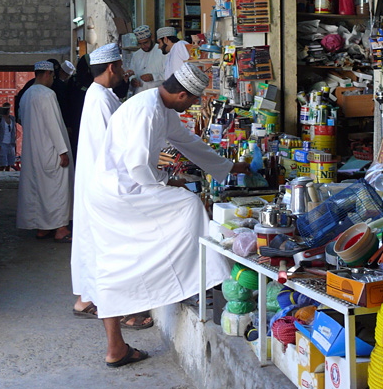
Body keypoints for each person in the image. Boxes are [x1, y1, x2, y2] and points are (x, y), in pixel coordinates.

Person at [85, 62, 249, 367]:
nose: (192, 107)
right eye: (193, 101)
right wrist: (167, 181)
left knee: (114, 263)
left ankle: (116, 347)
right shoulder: (148, 110)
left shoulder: (159, 107)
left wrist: (227, 167)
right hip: (120, 193)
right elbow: (137, 167)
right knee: (188, 206)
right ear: (182, 95)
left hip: (117, 190)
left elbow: (187, 142)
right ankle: (206, 281)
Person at [71, 43, 152, 331]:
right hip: (105, 184)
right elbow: (119, 144)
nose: (121, 72)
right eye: (119, 67)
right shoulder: (102, 98)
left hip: (94, 181)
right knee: (113, 248)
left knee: (91, 241)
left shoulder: (98, 95)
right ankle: (123, 311)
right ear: (111, 67)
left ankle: (85, 298)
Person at [17, 61, 74, 242]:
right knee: (57, 190)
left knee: (39, 189)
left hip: (33, 151)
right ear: (48, 74)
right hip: (50, 150)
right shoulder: (47, 94)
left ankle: (42, 228)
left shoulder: (26, 95)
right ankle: (60, 228)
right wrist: (62, 151)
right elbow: (53, 125)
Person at [66, 54, 94, 158]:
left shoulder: (93, 80)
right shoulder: (74, 81)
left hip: (86, 120)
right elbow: (68, 102)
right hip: (77, 121)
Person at [128, 25, 165, 95]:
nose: (143, 46)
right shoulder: (136, 55)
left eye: (145, 43)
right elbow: (131, 72)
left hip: (158, 95)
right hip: (140, 95)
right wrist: (133, 80)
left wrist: (153, 77)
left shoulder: (162, 52)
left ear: (152, 38)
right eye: (140, 44)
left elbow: (169, 75)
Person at [0, 102, 17, 171]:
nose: (8, 111)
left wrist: (14, 142)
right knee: (3, 164)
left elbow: (14, 131)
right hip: (2, 143)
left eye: (9, 109)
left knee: (10, 163)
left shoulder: (12, 119)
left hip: (11, 143)